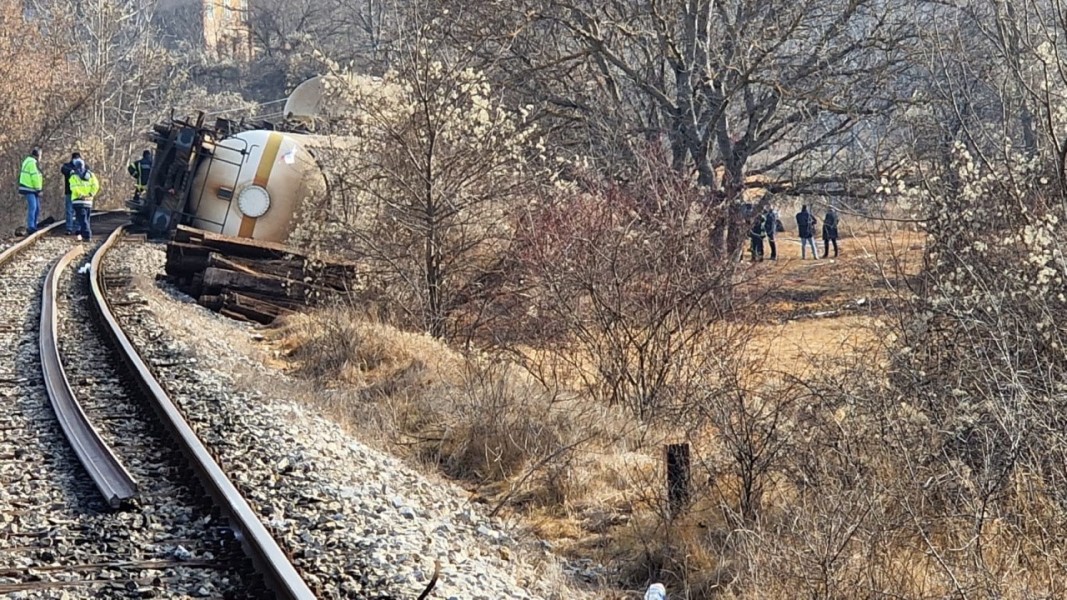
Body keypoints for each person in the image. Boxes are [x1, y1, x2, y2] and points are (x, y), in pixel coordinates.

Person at [68, 158, 99, 241]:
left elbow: (73, 187)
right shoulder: (91, 175)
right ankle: (82, 234)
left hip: (78, 201)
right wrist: (91, 194)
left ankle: (87, 235)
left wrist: (80, 195)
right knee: (86, 219)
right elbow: (96, 185)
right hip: (88, 201)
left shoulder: (73, 176)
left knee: (82, 219)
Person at [17, 148, 43, 234]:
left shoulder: (27, 161)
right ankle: (31, 226)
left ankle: (34, 225)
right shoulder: (32, 163)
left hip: (30, 188)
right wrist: (39, 189)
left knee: (37, 207)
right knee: (33, 207)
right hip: (30, 188)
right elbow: (35, 177)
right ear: (38, 155)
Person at [60, 152, 82, 235]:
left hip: (79, 193)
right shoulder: (67, 166)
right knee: (69, 211)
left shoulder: (82, 166)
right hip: (69, 192)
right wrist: (72, 172)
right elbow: (63, 169)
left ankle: (78, 228)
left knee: (78, 211)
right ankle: (69, 228)